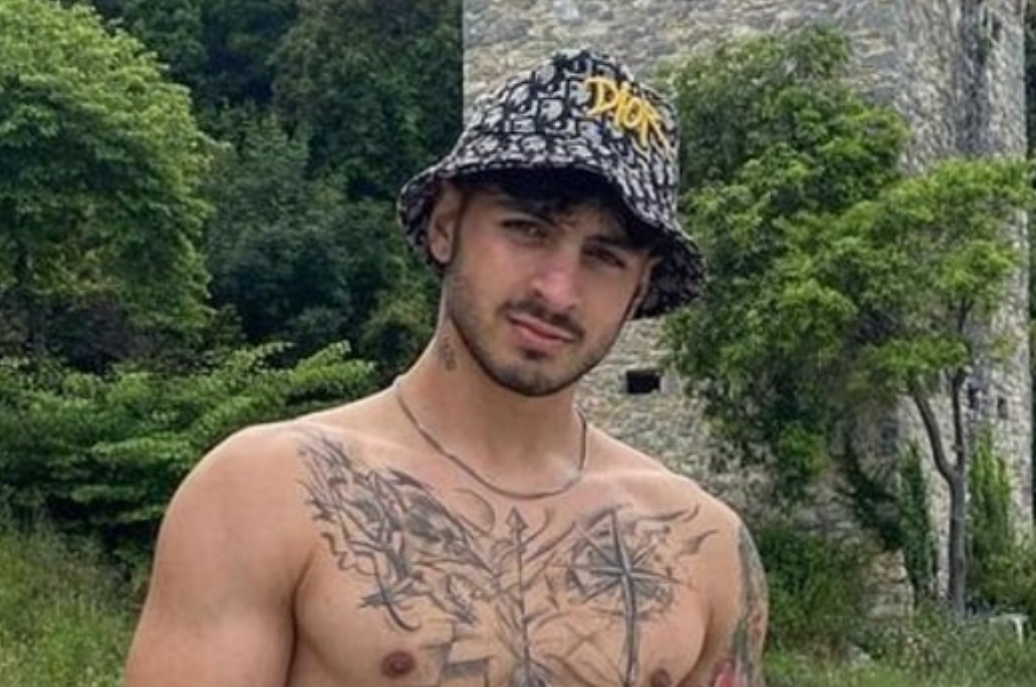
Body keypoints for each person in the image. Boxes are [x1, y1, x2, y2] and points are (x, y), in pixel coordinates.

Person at [124, 48, 768, 687]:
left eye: (605, 256)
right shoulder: (269, 493)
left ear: (641, 286)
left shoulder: (706, 550)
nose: (557, 291)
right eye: (527, 229)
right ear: (445, 223)